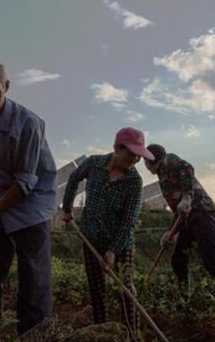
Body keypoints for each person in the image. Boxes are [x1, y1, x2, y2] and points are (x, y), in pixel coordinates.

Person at [0, 60, 57, 336]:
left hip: (32, 201)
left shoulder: (29, 124)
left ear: (6, 87)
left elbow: (26, 182)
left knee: (33, 279)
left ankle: (33, 335)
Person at [62, 127, 153, 335]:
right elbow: (74, 178)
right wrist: (67, 209)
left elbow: (129, 221)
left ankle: (132, 335)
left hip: (120, 241)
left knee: (126, 290)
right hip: (91, 237)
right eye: (131, 154)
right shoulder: (94, 163)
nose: (135, 161)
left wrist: (113, 250)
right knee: (97, 290)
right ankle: (102, 333)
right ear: (117, 148)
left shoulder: (134, 182)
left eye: (138, 157)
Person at [143, 144, 215, 298]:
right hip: (187, 219)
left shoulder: (168, 160)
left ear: (151, 159)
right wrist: (170, 232)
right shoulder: (162, 176)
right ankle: (184, 297)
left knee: (211, 259)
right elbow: (179, 209)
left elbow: (187, 168)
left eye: (146, 161)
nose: (145, 165)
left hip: (201, 212)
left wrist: (187, 196)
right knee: (178, 259)